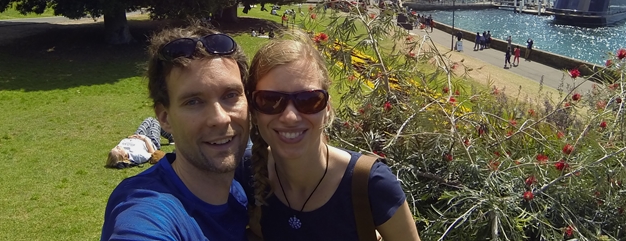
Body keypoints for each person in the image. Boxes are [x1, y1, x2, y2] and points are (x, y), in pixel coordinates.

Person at [244, 36, 420, 241]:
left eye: (308, 100)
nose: (290, 116)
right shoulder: (246, 172)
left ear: (327, 108)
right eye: (270, 100)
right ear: (254, 111)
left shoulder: (371, 185)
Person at [101, 24, 250, 241]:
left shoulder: (240, 193)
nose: (220, 118)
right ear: (164, 118)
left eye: (231, 95)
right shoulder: (147, 210)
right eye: (193, 101)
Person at [105, 117, 174, 169]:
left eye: (115, 147)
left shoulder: (121, 148)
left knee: (149, 119)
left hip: (137, 136)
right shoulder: (137, 156)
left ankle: (171, 137)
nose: (118, 146)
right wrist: (145, 139)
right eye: (118, 149)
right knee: (156, 121)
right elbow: (153, 153)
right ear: (123, 156)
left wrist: (131, 137)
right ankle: (171, 137)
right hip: (151, 141)